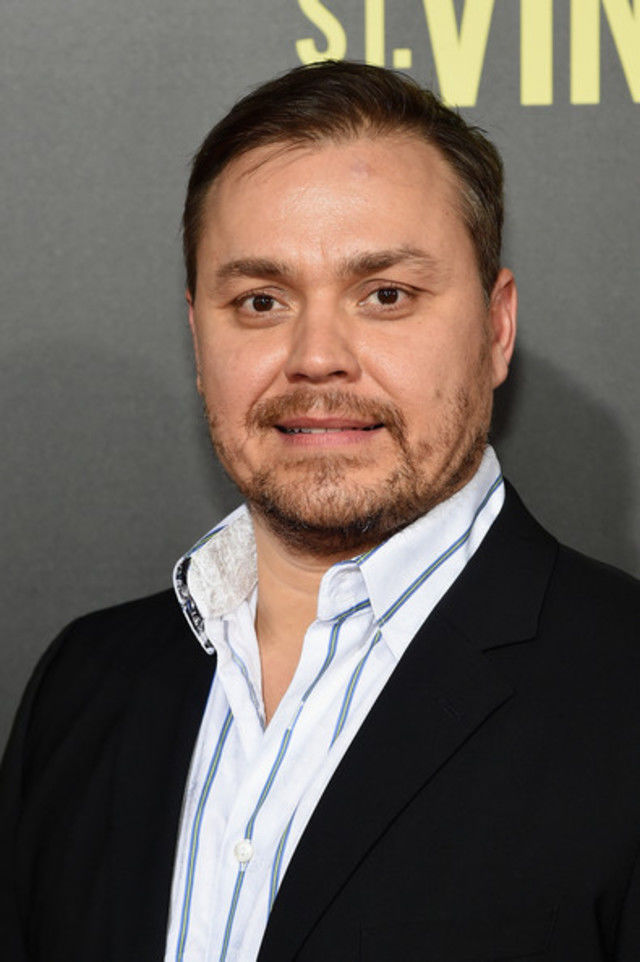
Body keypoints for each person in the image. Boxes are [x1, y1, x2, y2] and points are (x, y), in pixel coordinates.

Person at [1, 60, 639, 962]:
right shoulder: (85, 683)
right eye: (260, 302)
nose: (316, 356)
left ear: (497, 329)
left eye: (386, 295)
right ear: (198, 336)